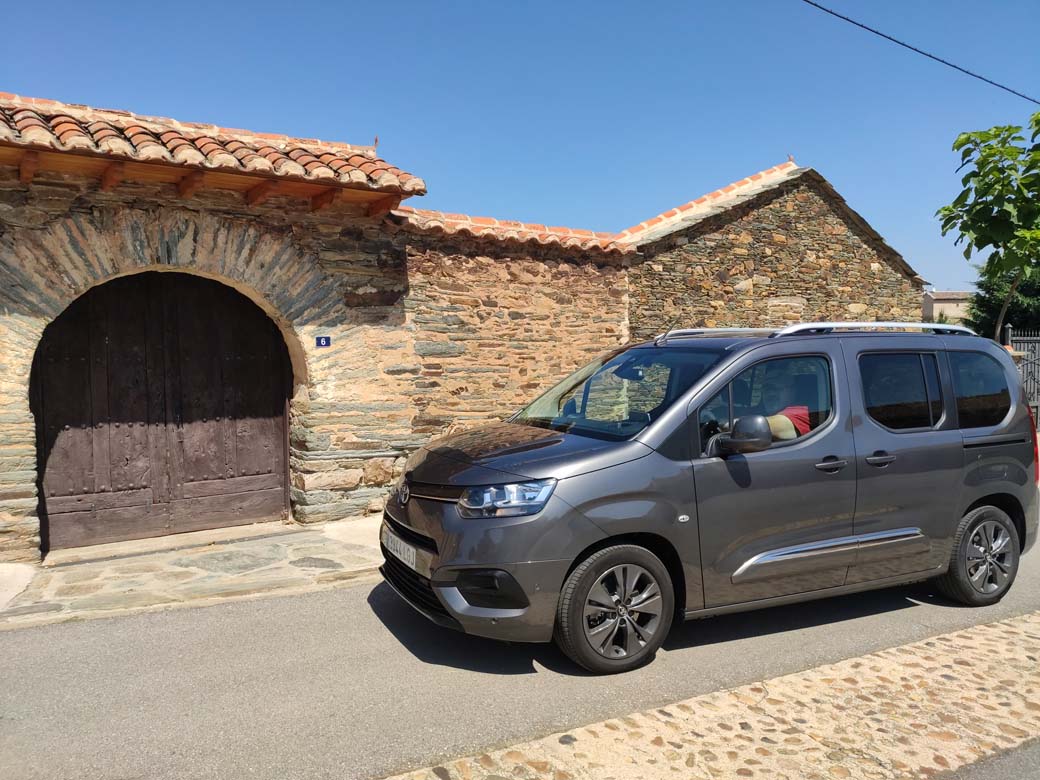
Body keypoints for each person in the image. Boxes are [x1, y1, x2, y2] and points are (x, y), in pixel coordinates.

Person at [760, 370, 811, 441]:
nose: (771, 394)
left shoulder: (801, 412)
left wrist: (746, 427)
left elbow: (761, 428)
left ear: (792, 391)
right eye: (767, 389)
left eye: (776, 388)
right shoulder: (759, 410)